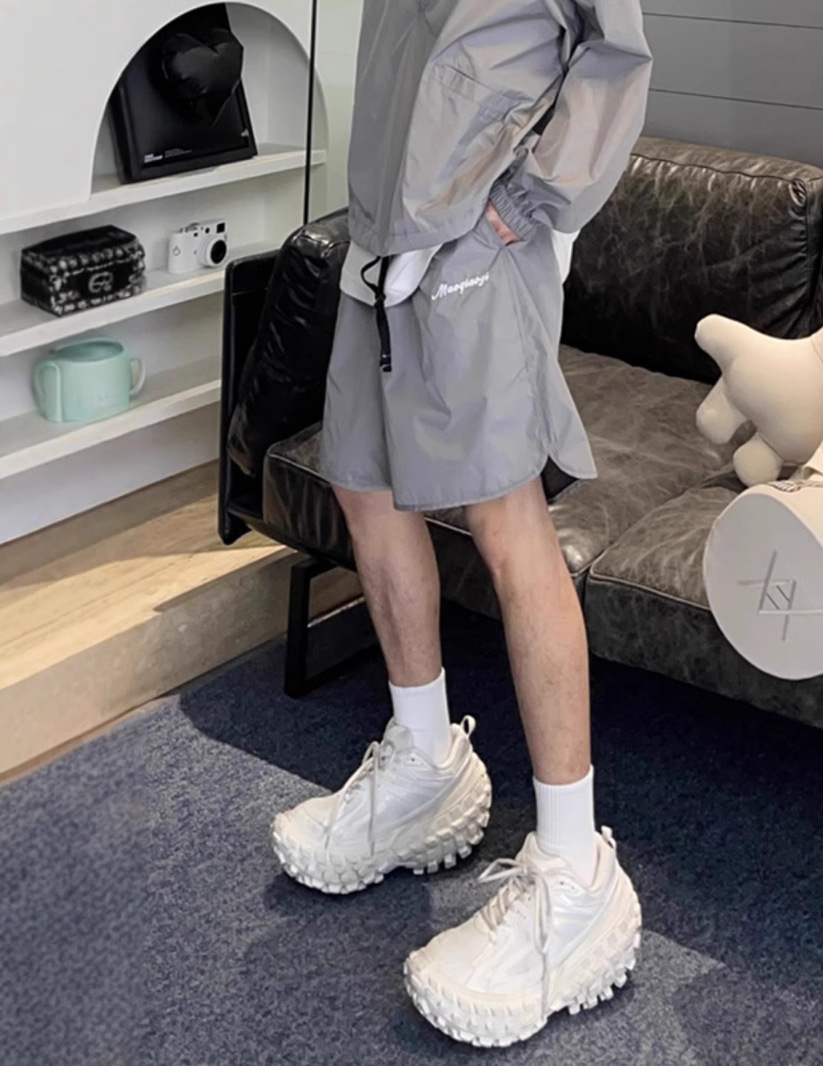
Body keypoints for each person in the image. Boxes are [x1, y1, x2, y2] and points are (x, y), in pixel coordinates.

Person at [271, 0, 653, 1048]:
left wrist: (522, 206)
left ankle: (574, 873)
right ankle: (424, 761)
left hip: (481, 242)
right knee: (362, 483)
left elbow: (615, 54)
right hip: (380, 231)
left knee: (506, 522)